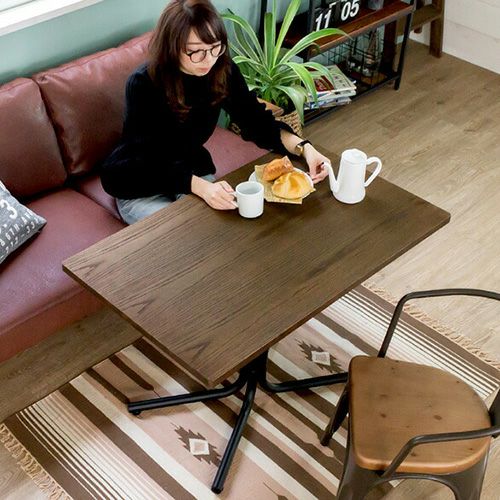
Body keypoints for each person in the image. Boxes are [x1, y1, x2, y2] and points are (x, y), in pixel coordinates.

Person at [101, 0, 330, 225]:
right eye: (195, 51)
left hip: (191, 169)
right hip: (141, 181)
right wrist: (201, 187)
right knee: (180, 234)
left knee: (218, 228)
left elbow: (258, 122)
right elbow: (149, 159)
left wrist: (305, 148)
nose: (209, 59)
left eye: (215, 47)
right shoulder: (144, 84)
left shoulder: (222, 71)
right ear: (172, 47)